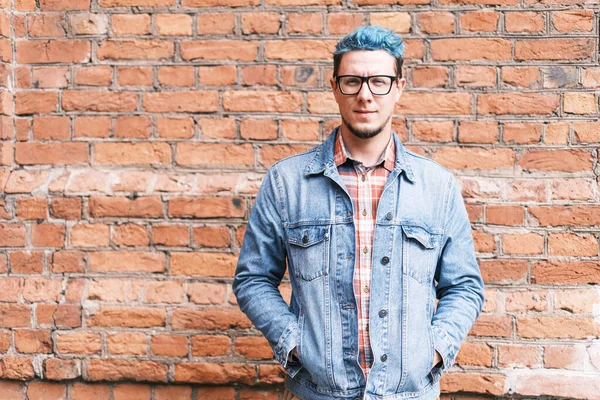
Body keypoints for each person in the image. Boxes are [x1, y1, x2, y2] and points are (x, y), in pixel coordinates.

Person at [233, 25, 484, 400]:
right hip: (318, 393)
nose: (365, 95)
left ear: (399, 87)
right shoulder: (288, 182)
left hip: (409, 394)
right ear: (335, 87)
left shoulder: (437, 186)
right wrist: (297, 345)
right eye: (352, 81)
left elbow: (464, 287)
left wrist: (431, 351)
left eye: (379, 81)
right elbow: (252, 279)